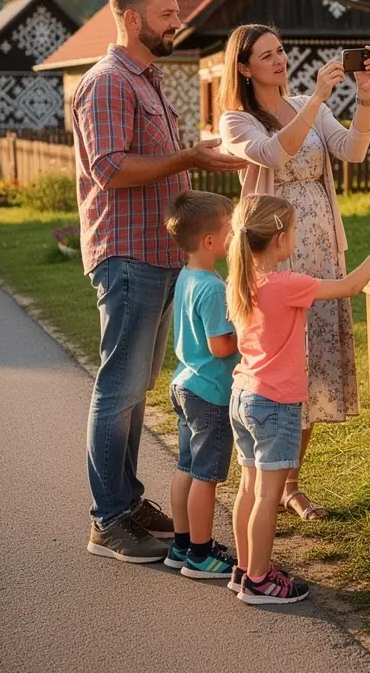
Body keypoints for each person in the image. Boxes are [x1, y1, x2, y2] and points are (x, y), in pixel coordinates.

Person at [74, 0, 247, 564]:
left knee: (134, 388)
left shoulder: (145, 80)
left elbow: (160, 161)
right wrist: (189, 155)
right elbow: (112, 169)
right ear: (132, 19)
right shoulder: (107, 83)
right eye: (167, 14)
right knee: (118, 386)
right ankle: (108, 519)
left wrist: (200, 161)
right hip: (126, 256)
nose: (178, 22)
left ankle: (124, 499)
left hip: (155, 254)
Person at [218, 25, 370, 522]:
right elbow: (273, 153)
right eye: (266, 55)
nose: (280, 60)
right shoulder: (235, 119)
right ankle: (264, 477)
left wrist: (365, 99)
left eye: (281, 51)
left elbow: (351, 151)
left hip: (318, 241)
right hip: (273, 251)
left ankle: (291, 483)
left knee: (313, 364)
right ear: (244, 67)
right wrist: (315, 101)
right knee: (282, 362)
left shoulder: (315, 104)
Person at [225, 194, 370, 603]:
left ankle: (246, 569)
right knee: (267, 495)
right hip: (275, 405)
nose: (297, 236)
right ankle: (261, 581)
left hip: (243, 397)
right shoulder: (286, 285)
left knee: (248, 489)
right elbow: (351, 286)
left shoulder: (241, 281)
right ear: (280, 239)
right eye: (295, 230)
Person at [162, 190, 239, 580]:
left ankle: (181, 544)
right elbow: (220, 345)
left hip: (185, 383)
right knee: (207, 476)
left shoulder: (189, 276)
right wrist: (247, 330)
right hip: (209, 393)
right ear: (210, 241)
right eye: (230, 229)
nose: (234, 235)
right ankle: (200, 555)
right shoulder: (211, 288)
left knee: (187, 467)